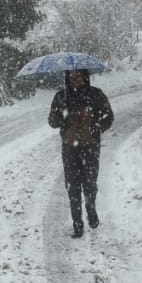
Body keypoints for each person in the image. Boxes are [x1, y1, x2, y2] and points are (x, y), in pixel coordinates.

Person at [47, 68, 114, 238]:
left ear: (85, 77)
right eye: (72, 75)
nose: (75, 78)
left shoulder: (95, 94)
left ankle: (91, 209)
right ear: (67, 77)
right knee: (73, 187)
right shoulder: (61, 97)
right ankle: (77, 223)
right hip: (69, 149)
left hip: (90, 147)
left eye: (79, 75)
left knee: (90, 183)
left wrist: (96, 126)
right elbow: (52, 122)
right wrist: (61, 114)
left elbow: (108, 117)